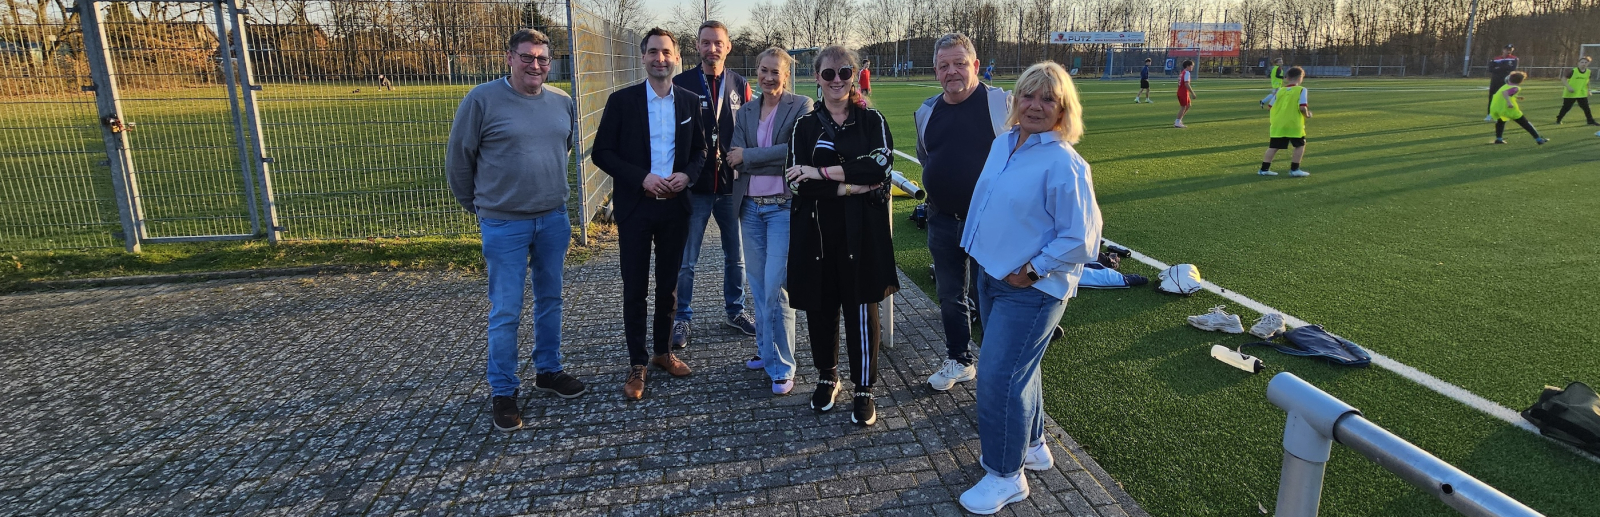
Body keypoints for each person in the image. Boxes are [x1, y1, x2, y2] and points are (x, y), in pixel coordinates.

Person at [957, 60, 1102, 515]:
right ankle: (1034, 445)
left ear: (1063, 108)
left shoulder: (1065, 162)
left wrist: (1034, 269)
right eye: (1028, 95)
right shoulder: (1005, 143)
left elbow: (1083, 237)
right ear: (1015, 99)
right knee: (1023, 369)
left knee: (999, 379)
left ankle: (1006, 475)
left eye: (1048, 99)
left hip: (1030, 289)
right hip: (991, 273)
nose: (1035, 105)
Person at [446, 28, 586, 432]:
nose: (536, 65)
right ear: (509, 57)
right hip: (503, 222)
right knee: (506, 309)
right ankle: (504, 391)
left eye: (543, 59)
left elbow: (564, 148)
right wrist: (478, 206)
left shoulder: (562, 102)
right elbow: (459, 160)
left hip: (553, 218)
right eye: (527, 57)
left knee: (551, 299)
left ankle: (548, 370)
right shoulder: (481, 100)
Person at [785, 45, 899, 426]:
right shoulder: (804, 125)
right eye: (828, 73)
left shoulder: (872, 121)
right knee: (821, 307)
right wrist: (850, 183)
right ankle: (827, 375)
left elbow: (880, 166)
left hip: (862, 233)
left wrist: (820, 172)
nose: (837, 80)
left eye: (844, 72)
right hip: (816, 232)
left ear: (854, 76)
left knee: (862, 308)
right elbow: (796, 183)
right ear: (816, 77)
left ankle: (864, 387)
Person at [592, 28, 707, 400]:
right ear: (643, 58)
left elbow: (702, 152)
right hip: (636, 208)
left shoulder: (689, 101)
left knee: (669, 287)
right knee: (635, 288)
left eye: (667, 52)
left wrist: (686, 175)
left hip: (675, 208)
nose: (661, 58)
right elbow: (603, 153)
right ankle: (637, 363)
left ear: (677, 57)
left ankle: (662, 352)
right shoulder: (622, 101)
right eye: (653, 52)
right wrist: (642, 178)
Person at [912, 32, 1012, 392]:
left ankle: (999, 372)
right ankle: (960, 359)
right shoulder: (926, 112)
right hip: (942, 219)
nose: (951, 72)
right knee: (950, 294)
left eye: (959, 63)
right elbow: (928, 158)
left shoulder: (1001, 105)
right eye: (944, 66)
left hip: (990, 223)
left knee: (993, 297)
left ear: (976, 66)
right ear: (936, 71)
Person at [726, 47, 814, 395]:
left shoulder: (801, 105)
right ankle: (765, 351)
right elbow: (732, 156)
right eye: (763, 70)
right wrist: (749, 158)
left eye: (775, 71)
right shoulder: (747, 109)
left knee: (777, 289)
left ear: (786, 75)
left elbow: (794, 152)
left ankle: (782, 367)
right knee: (759, 286)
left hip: (782, 208)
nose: (768, 77)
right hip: (750, 209)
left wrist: (749, 156)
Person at [671, 20, 756, 350]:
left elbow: (748, 129)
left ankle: (736, 311)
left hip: (731, 186)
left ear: (728, 46)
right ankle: (682, 317)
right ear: (697, 46)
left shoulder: (740, 84)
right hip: (695, 185)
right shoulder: (681, 83)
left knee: (736, 256)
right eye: (706, 43)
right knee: (686, 258)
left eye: (718, 43)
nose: (712, 49)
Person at [1258, 67, 1313, 177]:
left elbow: (1270, 106)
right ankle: (1294, 169)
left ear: (1287, 78)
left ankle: (1264, 169)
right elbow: (1302, 107)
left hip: (1278, 124)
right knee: (1300, 145)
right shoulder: (1301, 90)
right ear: (1300, 77)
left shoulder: (1280, 91)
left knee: (1273, 147)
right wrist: (1307, 115)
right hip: (1293, 123)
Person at [1490, 71, 1549, 145]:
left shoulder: (1506, 85)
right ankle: (1539, 139)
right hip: (1507, 108)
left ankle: (1499, 139)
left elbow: (1506, 93)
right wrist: (1509, 102)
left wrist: (1516, 97)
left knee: (1501, 122)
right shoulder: (1516, 88)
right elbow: (1505, 93)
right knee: (1525, 123)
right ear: (1521, 81)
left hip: (1497, 107)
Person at [1556, 56, 1596, 126]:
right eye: (1582, 62)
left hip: (1581, 93)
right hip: (1571, 93)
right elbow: (1563, 78)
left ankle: (1590, 121)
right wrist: (1569, 87)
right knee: (1566, 108)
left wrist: (1588, 90)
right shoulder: (1573, 71)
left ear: (1588, 63)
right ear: (1578, 63)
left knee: (1586, 108)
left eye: (1585, 62)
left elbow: (1587, 81)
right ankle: (1559, 119)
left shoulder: (1588, 72)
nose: (1583, 64)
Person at [1486, 44, 1518, 121]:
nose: (1508, 51)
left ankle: (1504, 115)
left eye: (1510, 49)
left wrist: (1499, 67)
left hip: (1506, 81)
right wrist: (1504, 68)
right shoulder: (1496, 59)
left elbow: (1512, 68)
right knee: (1492, 97)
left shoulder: (1514, 59)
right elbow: (1491, 69)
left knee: (1505, 98)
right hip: (1495, 80)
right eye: (1507, 49)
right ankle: (1490, 114)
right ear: (1503, 50)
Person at [1174, 60, 1194, 128]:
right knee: (1183, 107)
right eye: (1191, 66)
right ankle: (1177, 122)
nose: (1192, 67)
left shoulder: (1182, 73)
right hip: (1183, 92)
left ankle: (1179, 120)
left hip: (1181, 91)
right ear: (1188, 66)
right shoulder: (1187, 73)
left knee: (1188, 105)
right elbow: (1186, 84)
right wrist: (1193, 93)